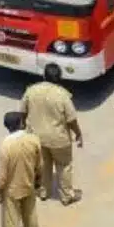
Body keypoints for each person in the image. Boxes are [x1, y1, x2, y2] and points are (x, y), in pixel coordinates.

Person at [21, 63, 84, 205]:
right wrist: (78, 134)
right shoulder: (63, 95)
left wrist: (23, 127)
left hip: (36, 137)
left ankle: (44, 192)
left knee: (43, 165)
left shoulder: (31, 91)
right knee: (64, 165)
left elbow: (22, 112)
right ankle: (67, 196)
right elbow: (71, 119)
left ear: (44, 75)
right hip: (59, 139)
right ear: (59, 78)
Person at [0, 111, 43, 227]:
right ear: (21, 123)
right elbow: (39, 164)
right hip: (29, 184)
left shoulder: (6, 145)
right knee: (31, 217)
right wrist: (38, 181)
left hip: (12, 190)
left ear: (6, 126)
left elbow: (2, 175)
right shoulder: (33, 139)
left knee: (11, 223)